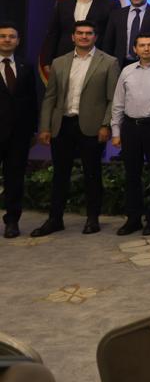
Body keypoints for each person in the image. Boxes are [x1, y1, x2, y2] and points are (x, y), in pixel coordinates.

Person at [34, 21, 119, 236]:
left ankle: (92, 219)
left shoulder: (109, 62)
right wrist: (44, 126)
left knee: (92, 174)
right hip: (62, 125)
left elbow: (113, 99)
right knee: (60, 175)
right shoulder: (59, 62)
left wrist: (105, 125)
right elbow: (50, 97)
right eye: (80, 33)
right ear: (73, 37)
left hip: (92, 126)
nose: (84, 37)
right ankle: (55, 219)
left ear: (95, 37)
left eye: (88, 33)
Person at [0, 22, 38, 238]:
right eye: (3, 36)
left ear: (18, 41)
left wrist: (33, 130)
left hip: (18, 135)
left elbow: (32, 101)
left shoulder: (26, 66)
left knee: (15, 179)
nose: (7, 40)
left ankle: (12, 221)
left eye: (11, 36)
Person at [42, 0, 113, 63]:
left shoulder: (110, 4)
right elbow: (53, 33)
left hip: (97, 58)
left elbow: (112, 35)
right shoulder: (63, 4)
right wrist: (47, 61)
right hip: (65, 57)